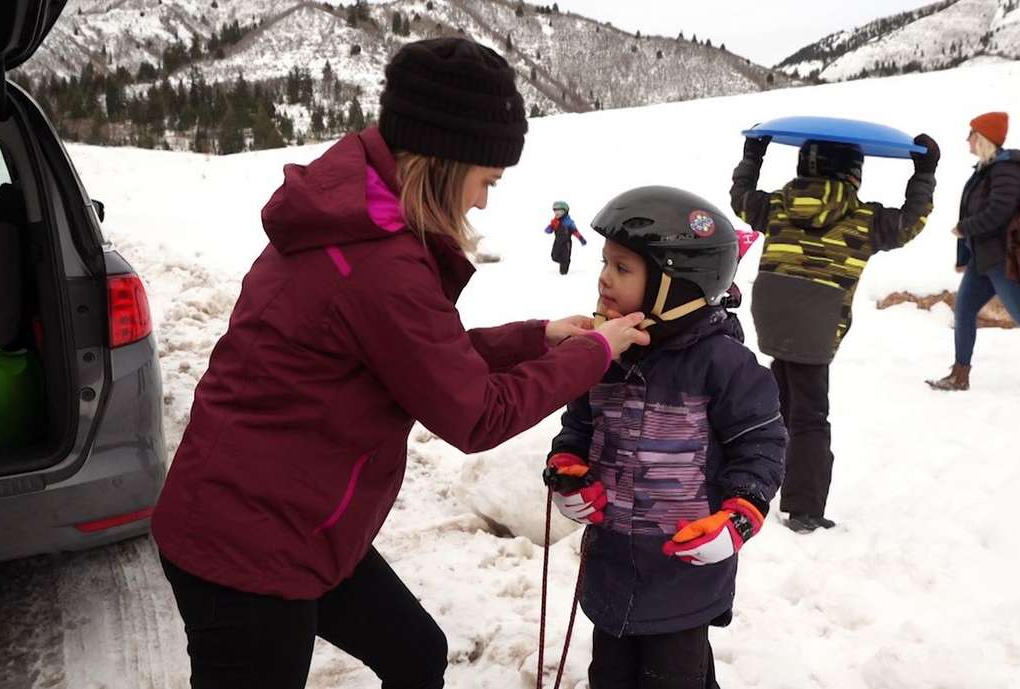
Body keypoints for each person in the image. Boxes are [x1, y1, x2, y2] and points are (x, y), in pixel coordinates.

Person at [150, 37, 649, 689]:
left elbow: (418, 359)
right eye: (486, 180)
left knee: (416, 652)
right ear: (447, 159)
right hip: (248, 551)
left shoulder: (360, 221)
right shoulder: (377, 261)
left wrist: (540, 336)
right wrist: (593, 354)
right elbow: (473, 413)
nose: (482, 202)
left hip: (298, 523)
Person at [546, 186, 787, 689]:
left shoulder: (723, 364)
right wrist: (568, 467)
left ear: (675, 284)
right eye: (606, 263)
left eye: (623, 267)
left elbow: (760, 446)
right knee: (609, 677)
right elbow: (579, 426)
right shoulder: (603, 351)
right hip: (612, 567)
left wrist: (739, 516)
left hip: (684, 575)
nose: (604, 277)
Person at [730, 132, 940, 532]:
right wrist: (924, 172)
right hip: (819, 319)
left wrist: (753, 153)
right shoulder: (865, 219)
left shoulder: (776, 205)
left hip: (772, 311)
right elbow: (911, 222)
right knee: (810, 413)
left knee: (779, 398)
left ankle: (751, 473)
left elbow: (741, 196)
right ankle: (804, 507)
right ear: (854, 175)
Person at [927, 112, 1020, 391]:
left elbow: (998, 213)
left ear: (983, 139)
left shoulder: (1007, 170)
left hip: (1006, 259)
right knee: (964, 312)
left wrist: (964, 228)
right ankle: (959, 375)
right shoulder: (986, 169)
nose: (967, 139)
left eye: (971, 134)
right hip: (984, 259)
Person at [545, 200, 587, 274]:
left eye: (559, 211)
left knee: (565, 258)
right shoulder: (555, 221)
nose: (556, 213)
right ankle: (563, 262)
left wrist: (581, 239)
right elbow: (550, 228)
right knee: (554, 256)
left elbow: (575, 231)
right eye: (555, 211)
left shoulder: (569, 222)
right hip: (557, 241)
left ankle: (564, 268)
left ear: (565, 211)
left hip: (566, 243)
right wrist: (549, 228)